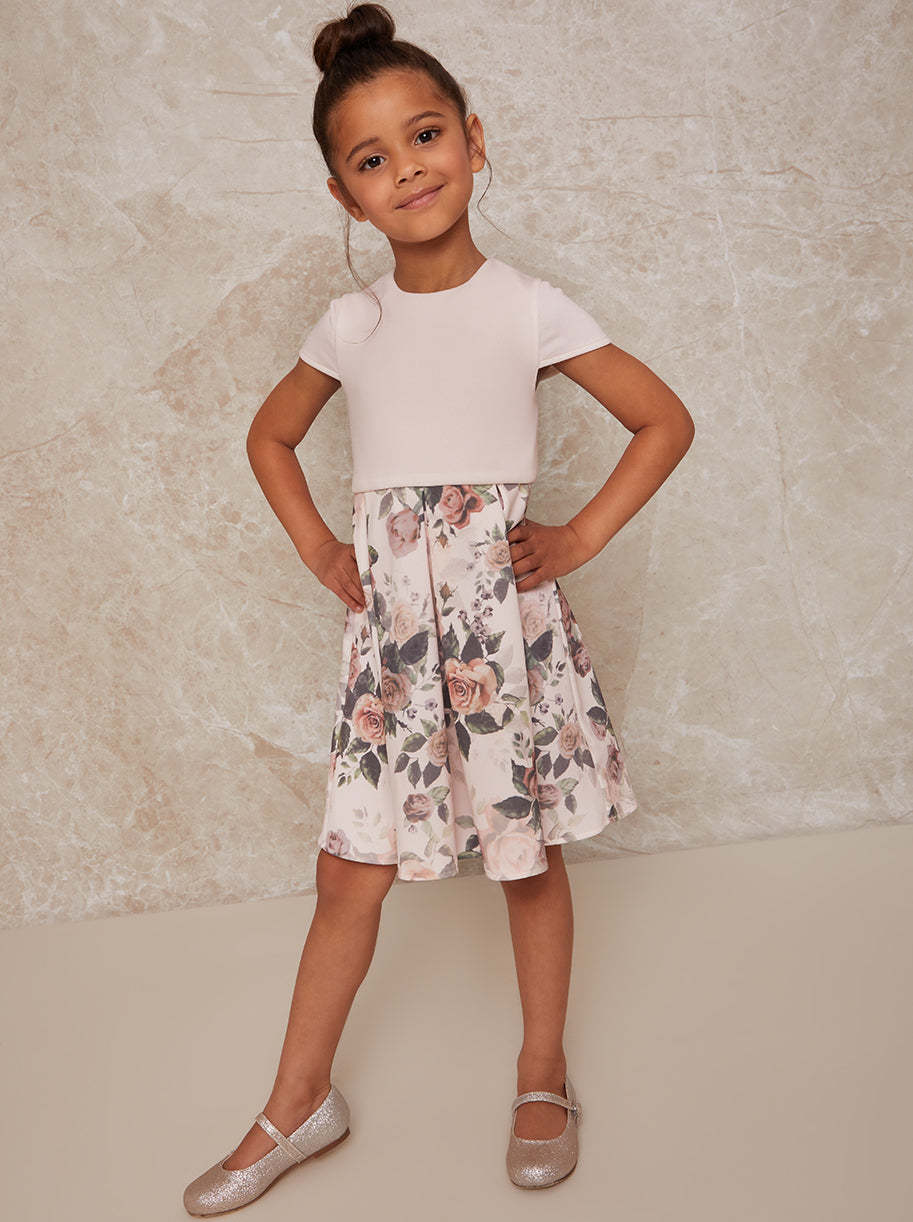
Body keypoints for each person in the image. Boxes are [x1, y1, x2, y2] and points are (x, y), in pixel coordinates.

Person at [183, 2, 694, 1212]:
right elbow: (268, 436)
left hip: (501, 637)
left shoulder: (529, 305)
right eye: (373, 159)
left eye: (425, 136)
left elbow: (662, 420)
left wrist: (577, 537)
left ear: (472, 137)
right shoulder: (352, 323)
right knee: (346, 873)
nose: (408, 169)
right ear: (343, 195)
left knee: (527, 857)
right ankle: (298, 1098)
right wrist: (320, 546)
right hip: (395, 654)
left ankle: (540, 1072)